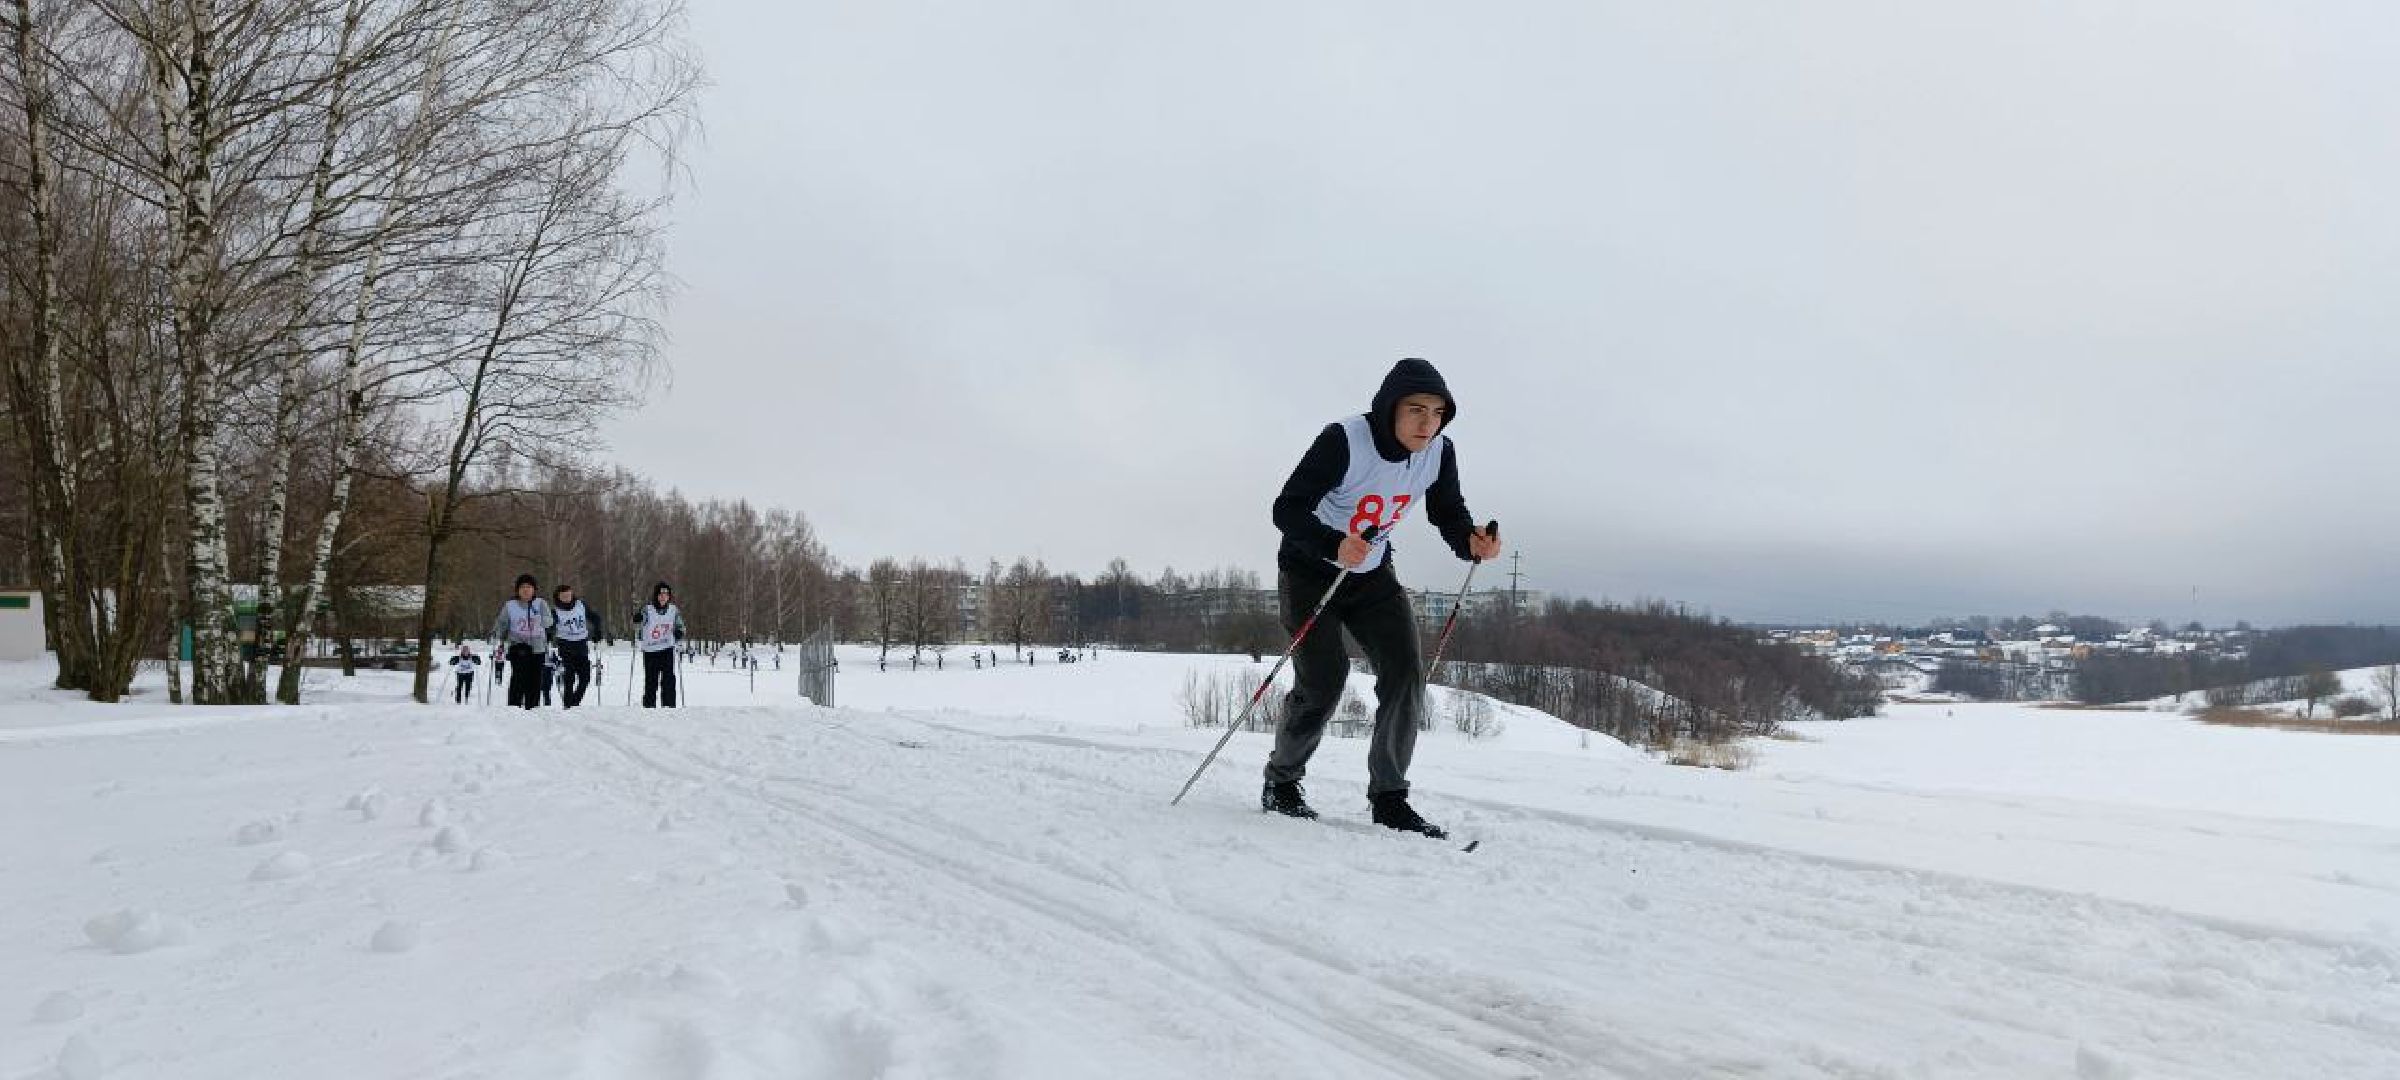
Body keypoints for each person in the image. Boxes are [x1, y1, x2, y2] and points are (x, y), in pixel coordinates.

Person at [1260, 358, 1498, 838]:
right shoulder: (1344, 440)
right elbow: (1287, 508)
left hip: (1371, 575)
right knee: (1325, 680)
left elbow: (1447, 510)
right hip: (1311, 572)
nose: (1427, 422)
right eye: (1415, 410)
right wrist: (1332, 543)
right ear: (1390, 409)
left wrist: (1468, 541)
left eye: (1437, 412)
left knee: (1406, 671)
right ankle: (1281, 783)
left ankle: (1390, 799)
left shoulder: (1438, 451)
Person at [490, 573, 555, 711]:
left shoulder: (541, 603)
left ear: (534, 590)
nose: (526, 590)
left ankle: (533, 707)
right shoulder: (510, 605)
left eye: (529, 587)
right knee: (519, 676)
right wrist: (497, 634)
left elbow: (549, 621)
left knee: (535, 679)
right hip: (517, 645)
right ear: (518, 590)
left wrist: (540, 618)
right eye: (523, 587)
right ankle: (514, 706)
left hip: (537, 647)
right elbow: (502, 623)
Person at [633, 581, 687, 708]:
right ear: (656, 595)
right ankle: (649, 707)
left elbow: (680, 626)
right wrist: (638, 619)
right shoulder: (648, 609)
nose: (663, 597)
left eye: (666, 594)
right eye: (661, 594)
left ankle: (669, 707)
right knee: (651, 681)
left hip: (667, 648)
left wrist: (679, 632)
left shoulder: (673, 610)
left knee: (669, 680)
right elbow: (640, 622)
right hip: (651, 650)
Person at [550, 584, 601, 708]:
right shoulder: (555, 611)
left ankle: (574, 701)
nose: (567, 598)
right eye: (563, 596)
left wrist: (597, 632)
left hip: (581, 644)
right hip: (565, 645)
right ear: (558, 597)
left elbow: (595, 618)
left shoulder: (580, 605)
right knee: (569, 676)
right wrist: (548, 636)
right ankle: (568, 705)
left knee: (585, 677)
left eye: (569, 595)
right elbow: (550, 627)